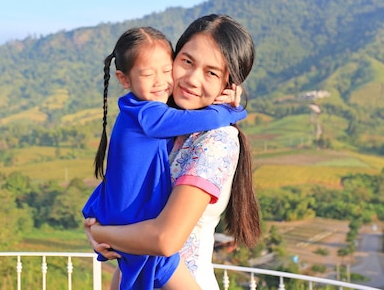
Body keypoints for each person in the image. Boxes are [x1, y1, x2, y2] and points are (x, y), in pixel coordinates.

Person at [85, 14, 261, 290]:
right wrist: (102, 232)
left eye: (211, 72)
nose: (191, 79)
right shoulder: (163, 123)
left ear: (229, 84)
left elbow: (165, 240)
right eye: (187, 62)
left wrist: (101, 232)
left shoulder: (216, 139)